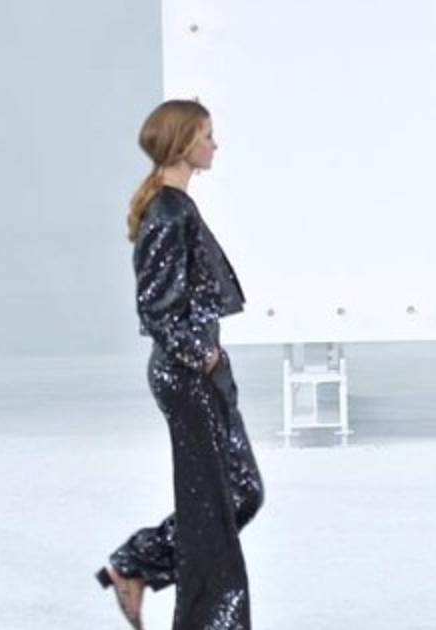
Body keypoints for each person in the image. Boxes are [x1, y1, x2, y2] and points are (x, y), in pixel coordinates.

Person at [97, 99, 263, 629]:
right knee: (212, 509)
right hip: (188, 376)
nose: (215, 144)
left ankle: (135, 564)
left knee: (240, 492)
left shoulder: (178, 206)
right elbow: (155, 308)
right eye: (206, 135)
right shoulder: (167, 213)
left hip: (199, 373)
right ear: (183, 143)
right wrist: (203, 354)